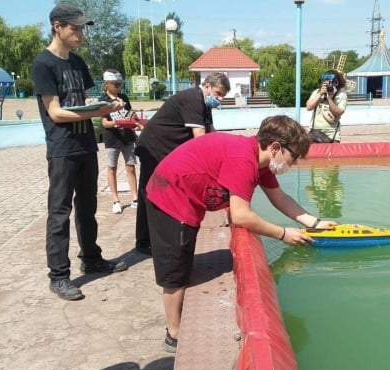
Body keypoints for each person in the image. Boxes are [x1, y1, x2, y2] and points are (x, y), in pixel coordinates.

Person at [145, 115, 338, 352]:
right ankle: (173, 333)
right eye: (294, 156)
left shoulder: (263, 162)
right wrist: (283, 233)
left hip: (187, 198)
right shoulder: (243, 159)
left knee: (183, 256)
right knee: (174, 268)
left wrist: (315, 222)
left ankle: (177, 314)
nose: (294, 163)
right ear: (276, 147)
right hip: (170, 197)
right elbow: (241, 215)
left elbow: (280, 198)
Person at [32, 4, 128, 301]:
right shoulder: (43, 64)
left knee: (87, 207)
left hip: (86, 145)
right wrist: (94, 113)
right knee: (60, 213)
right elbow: (56, 113)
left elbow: (85, 99)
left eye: (82, 28)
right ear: (57, 26)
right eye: (75, 28)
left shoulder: (77, 62)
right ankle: (59, 275)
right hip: (62, 149)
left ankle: (92, 258)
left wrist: (106, 107)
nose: (80, 34)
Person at [134, 72, 231, 255]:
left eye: (222, 96)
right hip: (154, 147)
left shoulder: (204, 104)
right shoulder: (193, 99)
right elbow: (200, 140)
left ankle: (157, 236)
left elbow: (211, 133)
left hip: (167, 149)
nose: (219, 99)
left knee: (159, 191)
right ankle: (144, 241)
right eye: (218, 93)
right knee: (150, 192)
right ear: (207, 86)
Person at [98, 69, 140, 214]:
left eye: (120, 84)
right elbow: (104, 123)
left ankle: (135, 198)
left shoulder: (124, 97)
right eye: (115, 84)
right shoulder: (103, 100)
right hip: (112, 139)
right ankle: (116, 200)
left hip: (127, 138)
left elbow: (129, 113)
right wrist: (117, 121)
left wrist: (133, 119)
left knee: (131, 167)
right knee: (112, 168)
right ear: (107, 84)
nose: (118, 87)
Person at [305, 69, 347, 143]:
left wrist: (329, 99)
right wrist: (320, 94)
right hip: (314, 133)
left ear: (336, 83)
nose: (328, 87)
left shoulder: (341, 95)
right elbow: (309, 107)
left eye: (330, 84)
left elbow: (338, 113)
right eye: (325, 84)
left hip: (332, 135)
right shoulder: (317, 92)